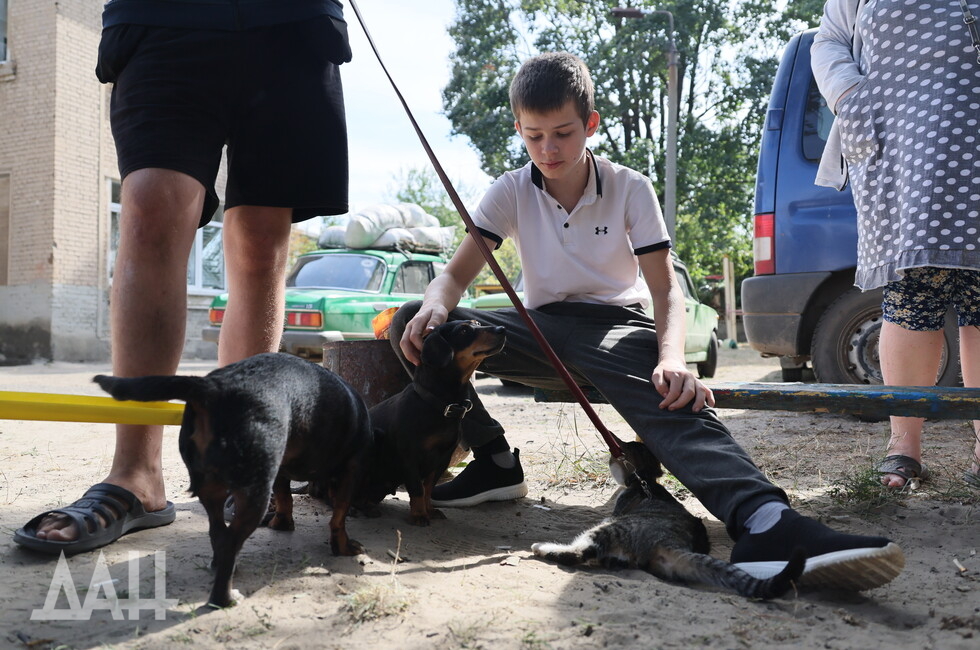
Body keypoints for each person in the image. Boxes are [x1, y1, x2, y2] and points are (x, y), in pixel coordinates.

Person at [391, 51, 906, 591]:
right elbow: (451, 277)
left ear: (590, 124)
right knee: (410, 317)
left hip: (615, 329)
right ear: (518, 128)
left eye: (563, 133)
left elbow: (665, 291)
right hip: (537, 331)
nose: (548, 149)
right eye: (534, 135)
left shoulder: (630, 187)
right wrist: (435, 304)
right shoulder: (511, 189)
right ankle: (495, 460)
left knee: (673, 391)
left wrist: (672, 358)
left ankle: (764, 520)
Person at [13, 0, 352, 554]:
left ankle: (242, 463)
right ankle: (136, 476)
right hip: (166, 14)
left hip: (289, 22)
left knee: (263, 239)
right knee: (149, 205)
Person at [812, 0, 980, 489]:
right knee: (910, 289)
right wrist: (850, 95)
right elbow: (829, 40)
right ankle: (903, 448)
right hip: (901, 145)